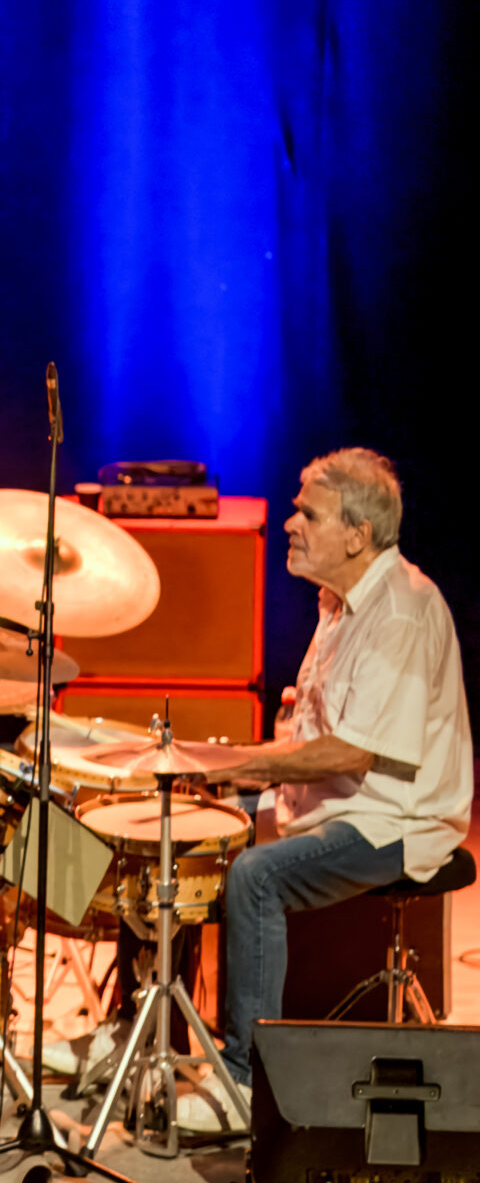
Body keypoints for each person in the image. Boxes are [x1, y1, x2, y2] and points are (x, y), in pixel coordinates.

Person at [182, 449, 470, 1131]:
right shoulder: (339, 604)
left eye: (308, 514)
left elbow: (351, 751)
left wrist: (239, 766)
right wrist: (230, 768)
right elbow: (315, 734)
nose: (290, 523)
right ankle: (138, 1035)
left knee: (255, 876)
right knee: (184, 828)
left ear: (357, 535)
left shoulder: (399, 612)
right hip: (334, 801)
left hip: (395, 822)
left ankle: (244, 1085)